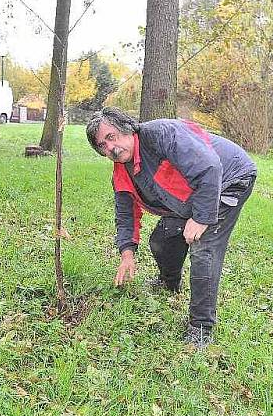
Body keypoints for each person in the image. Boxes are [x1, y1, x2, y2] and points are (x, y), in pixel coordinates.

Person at [86, 107, 257, 349]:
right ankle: (169, 282)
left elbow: (210, 168)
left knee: (203, 249)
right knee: (162, 238)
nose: (110, 148)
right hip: (190, 196)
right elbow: (125, 214)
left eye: (111, 137)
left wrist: (202, 218)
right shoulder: (121, 172)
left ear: (126, 128)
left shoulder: (160, 134)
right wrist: (127, 254)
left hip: (228, 179)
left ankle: (201, 328)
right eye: (102, 146)